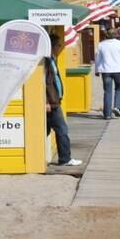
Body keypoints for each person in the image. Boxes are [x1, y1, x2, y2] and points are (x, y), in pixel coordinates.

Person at [45, 35, 82, 166]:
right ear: (51, 46)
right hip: (51, 103)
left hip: (54, 100)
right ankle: (65, 159)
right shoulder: (45, 62)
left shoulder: (52, 59)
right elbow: (42, 83)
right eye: (58, 45)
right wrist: (46, 101)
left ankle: (40, 156)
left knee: (46, 130)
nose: (59, 48)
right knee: (62, 130)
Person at [94, 28, 120, 119]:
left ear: (106, 35)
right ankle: (117, 106)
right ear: (116, 35)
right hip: (118, 70)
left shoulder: (101, 45)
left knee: (107, 91)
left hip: (106, 71)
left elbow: (98, 59)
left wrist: (96, 70)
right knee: (119, 89)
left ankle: (107, 114)